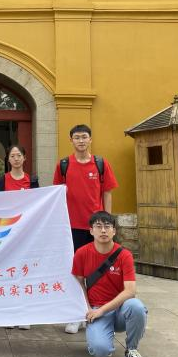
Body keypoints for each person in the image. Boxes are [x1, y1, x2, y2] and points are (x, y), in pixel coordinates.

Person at [53, 124, 118, 334]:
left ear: (90, 140)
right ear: (71, 140)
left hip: (96, 228)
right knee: (76, 272)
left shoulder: (101, 164)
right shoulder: (63, 165)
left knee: (97, 271)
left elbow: (107, 192)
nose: (81, 141)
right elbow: (57, 194)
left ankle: (96, 310)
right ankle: (77, 314)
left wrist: (107, 222)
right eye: (77, 137)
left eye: (84, 137)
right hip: (71, 226)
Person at [72, 211, 147, 357]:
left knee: (136, 307)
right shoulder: (81, 253)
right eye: (98, 226)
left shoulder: (124, 255)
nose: (103, 230)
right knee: (101, 352)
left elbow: (130, 291)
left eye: (107, 226)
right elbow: (78, 284)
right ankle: (102, 334)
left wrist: (103, 310)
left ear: (114, 231)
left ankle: (132, 349)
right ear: (91, 231)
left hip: (120, 310)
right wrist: (88, 309)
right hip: (96, 309)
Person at [0, 144, 39, 330]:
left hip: (27, 232)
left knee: (24, 272)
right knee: (8, 272)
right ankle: (8, 313)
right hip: (7, 232)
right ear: (8, 159)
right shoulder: (2, 180)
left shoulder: (32, 180)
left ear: (24, 158)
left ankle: (24, 313)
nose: (15, 158)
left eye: (18, 155)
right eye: (12, 156)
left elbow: (39, 203)